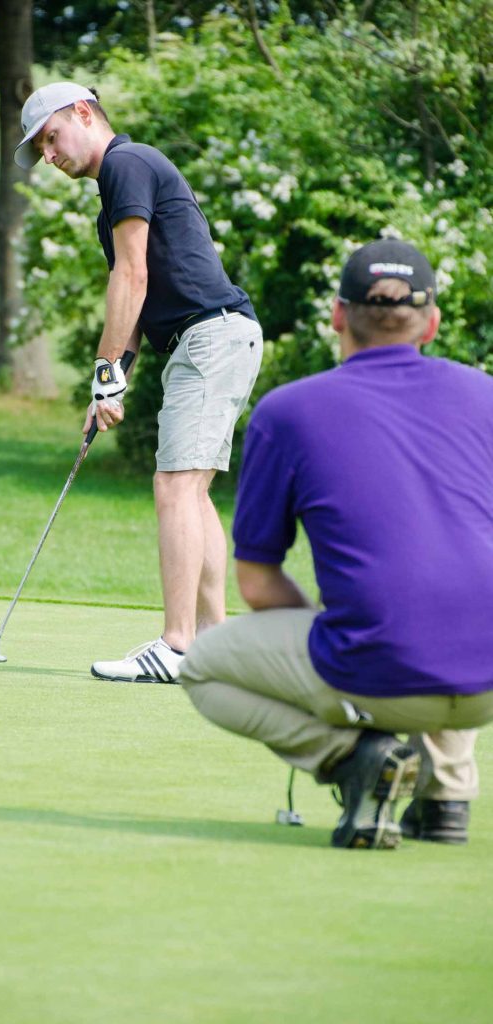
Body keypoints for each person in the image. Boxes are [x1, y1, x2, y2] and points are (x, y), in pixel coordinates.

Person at [178, 238, 493, 850]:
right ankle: (447, 797)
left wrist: (343, 629)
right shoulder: (487, 395)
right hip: (487, 683)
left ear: (337, 315)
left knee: (203, 666)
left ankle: (356, 758)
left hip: (381, 675)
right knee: (459, 587)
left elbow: (257, 582)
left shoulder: (290, 410)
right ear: (431, 322)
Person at [14, 82, 263, 683]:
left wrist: (105, 375)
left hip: (210, 336)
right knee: (190, 490)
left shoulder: (125, 162)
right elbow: (133, 311)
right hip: (212, 339)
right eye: (41, 151)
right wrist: (110, 383)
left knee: (174, 486)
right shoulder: (114, 198)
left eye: (51, 138)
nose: (50, 156)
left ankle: (177, 645)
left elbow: (133, 278)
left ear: (82, 112)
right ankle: (213, 644)